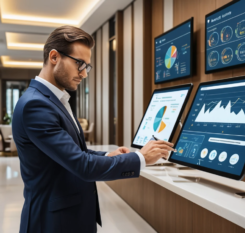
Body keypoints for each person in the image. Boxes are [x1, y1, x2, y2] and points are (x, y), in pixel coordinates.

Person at [12, 25, 174, 233]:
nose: (83, 74)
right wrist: (141, 158)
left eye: (86, 67)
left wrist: (108, 155)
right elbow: (82, 165)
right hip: (52, 222)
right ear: (54, 57)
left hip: (66, 217)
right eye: (79, 64)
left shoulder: (55, 100)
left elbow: (73, 152)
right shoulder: (36, 105)